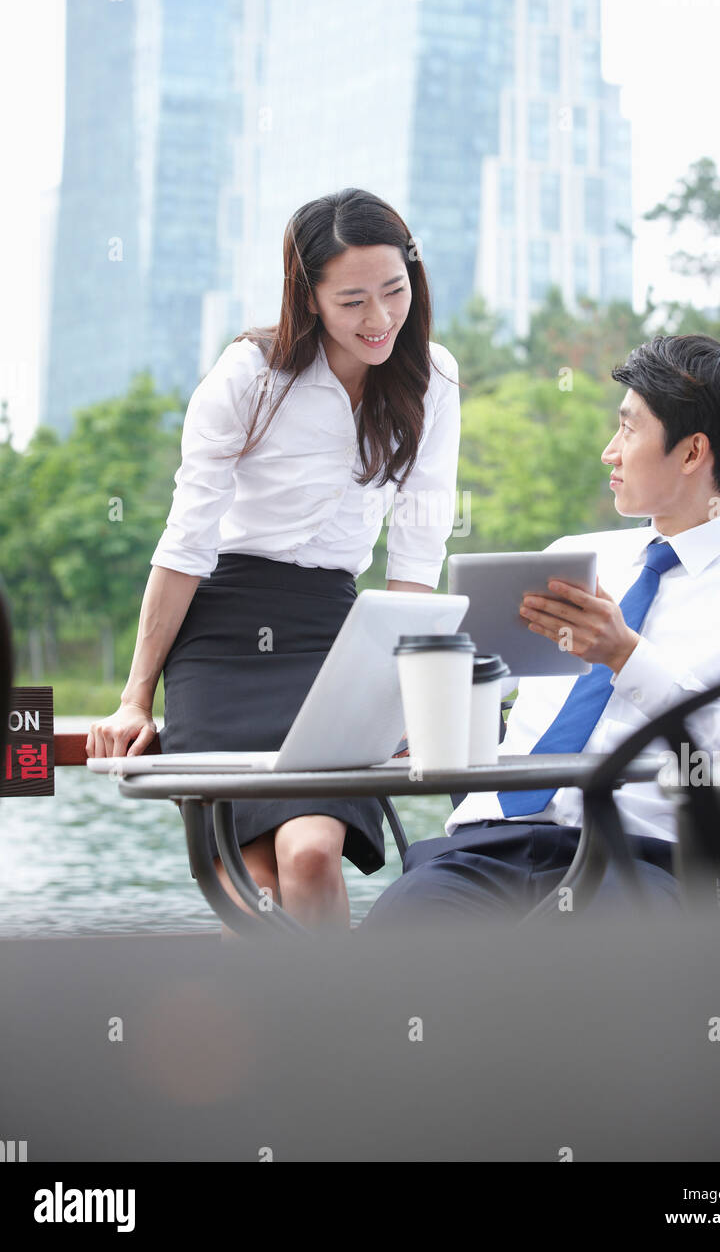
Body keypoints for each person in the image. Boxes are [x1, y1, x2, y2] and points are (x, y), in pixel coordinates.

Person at [361, 333, 720, 928]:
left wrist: (628, 657)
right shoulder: (572, 558)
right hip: (487, 846)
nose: (609, 452)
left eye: (629, 429)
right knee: (397, 938)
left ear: (691, 454)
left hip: (642, 861)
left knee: (576, 966)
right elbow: (476, 694)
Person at [86, 188, 460, 930]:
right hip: (221, 632)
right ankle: (313, 1030)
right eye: (352, 300)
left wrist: (412, 682)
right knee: (250, 878)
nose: (381, 318)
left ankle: (324, 1030)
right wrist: (136, 695)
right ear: (309, 297)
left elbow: (419, 540)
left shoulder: (432, 378)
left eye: (394, 290)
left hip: (334, 634)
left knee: (312, 853)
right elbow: (186, 542)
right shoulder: (249, 375)